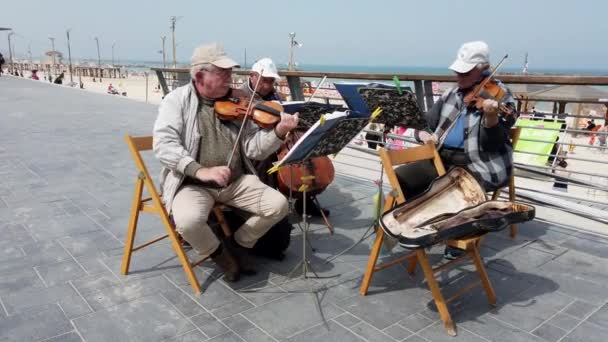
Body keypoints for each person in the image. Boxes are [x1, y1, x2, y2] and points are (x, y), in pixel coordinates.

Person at [153, 43, 298, 282]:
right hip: (193, 184)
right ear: (200, 76)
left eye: (231, 73)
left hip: (234, 181)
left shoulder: (237, 101)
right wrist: (201, 171)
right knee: (188, 222)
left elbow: (253, 148)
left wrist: (279, 132)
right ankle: (220, 254)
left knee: (279, 205)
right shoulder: (177, 100)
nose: (230, 79)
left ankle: (238, 244)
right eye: (223, 73)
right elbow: (164, 145)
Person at [396, 41, 518, 259]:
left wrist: (491, 116)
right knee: (401, 179)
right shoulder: (451, 94)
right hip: (442, 158)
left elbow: (493, 145)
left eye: (465, 73)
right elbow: (424, 123)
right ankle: (418, 224)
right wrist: (423, 135)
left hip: (480, 163)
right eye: (458, 72)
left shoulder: (501, 96)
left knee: (456, 193)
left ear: (484, 69)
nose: (458, 78)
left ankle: (454, 241)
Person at [238, 57, 329, 217]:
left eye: (271, 81)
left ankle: (305, 201)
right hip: (254, 142)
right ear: (252, 76)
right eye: (264, 81)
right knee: (266, 158)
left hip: (281, 137)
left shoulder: (274, 95)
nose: (268, 86)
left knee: (305, 149)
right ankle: (269, 202)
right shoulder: (242, 96)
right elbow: (246, 131)